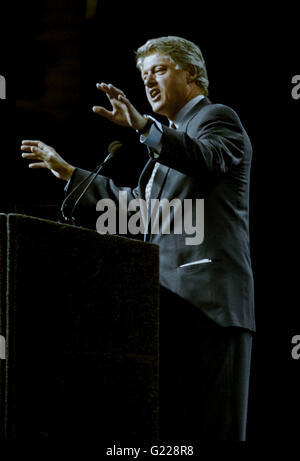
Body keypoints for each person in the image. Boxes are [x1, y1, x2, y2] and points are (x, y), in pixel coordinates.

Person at [21, 36, 255, 441]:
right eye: (143, 75)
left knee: (214, 430)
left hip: (210, 307)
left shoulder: (216, 119)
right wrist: (69, 173)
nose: (148, 82)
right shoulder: (167, 141)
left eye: (159, 71)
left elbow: (206, 158)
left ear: (191, 73)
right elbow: (137, 209)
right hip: (165, 309)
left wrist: (145, 128)